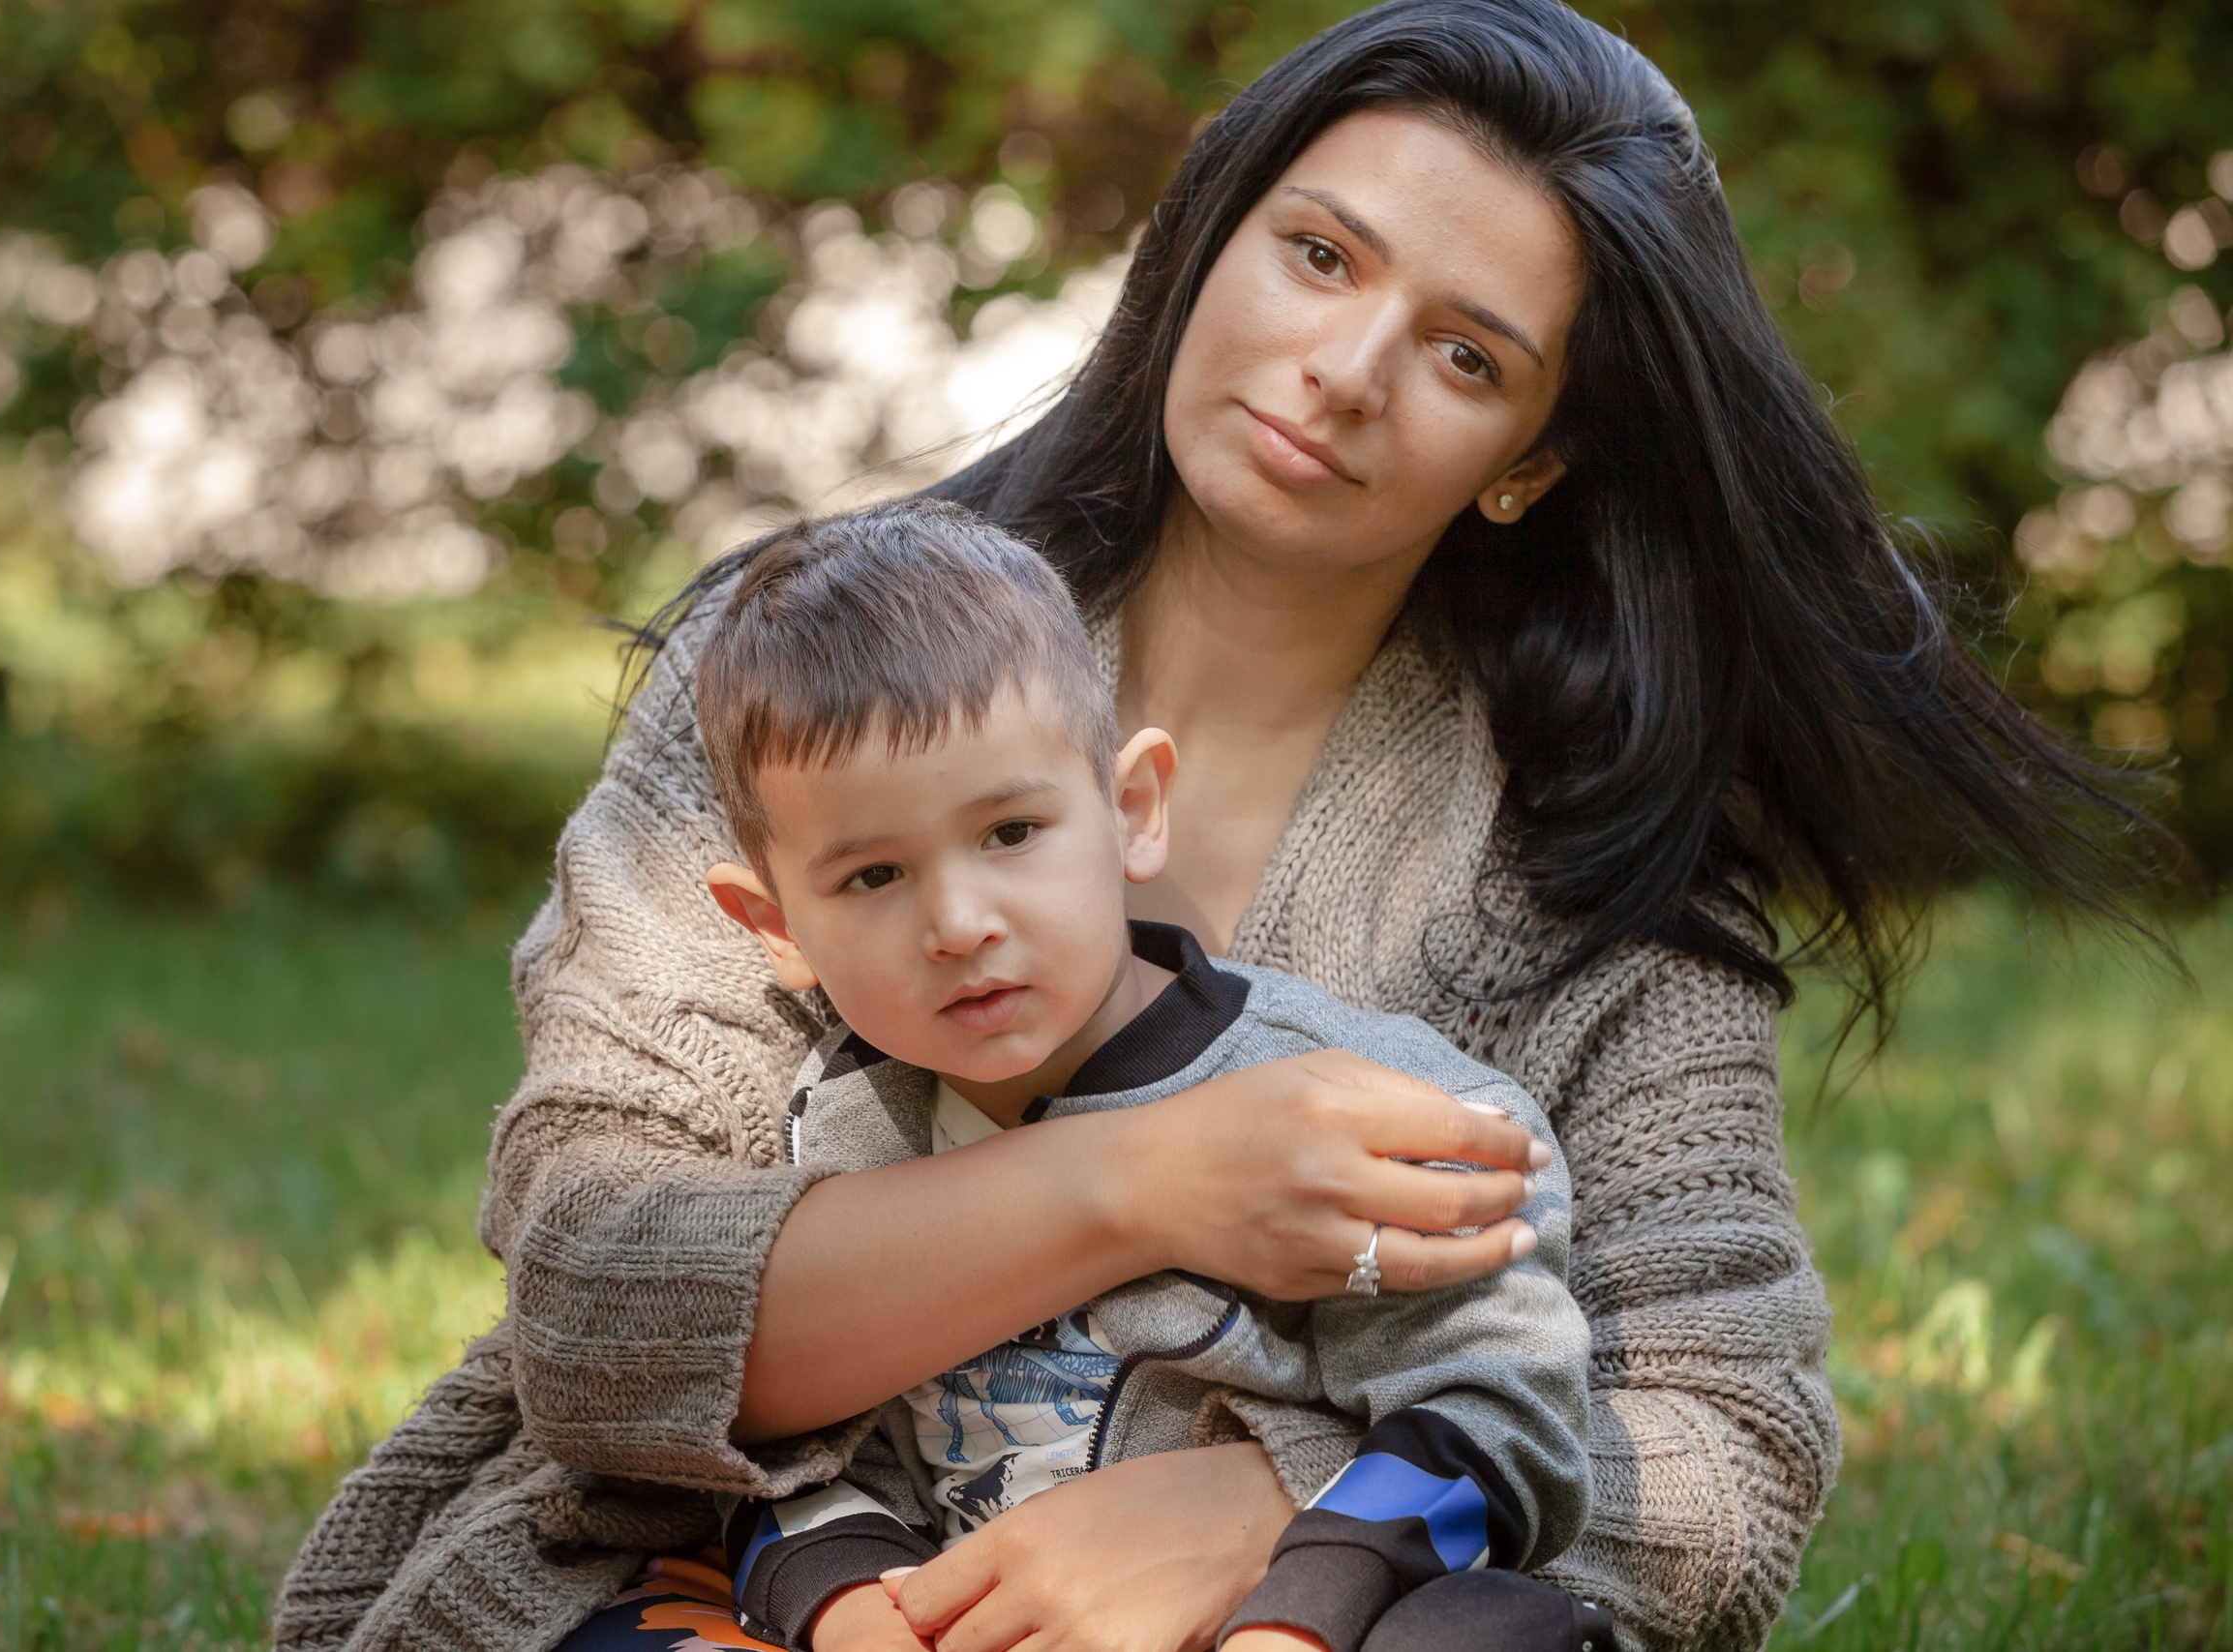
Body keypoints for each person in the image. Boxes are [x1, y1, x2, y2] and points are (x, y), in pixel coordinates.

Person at [276, 3, 2157, 1650]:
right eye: (1318, 255)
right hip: (753, 1570)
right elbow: (602, 1304)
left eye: (1463, 354)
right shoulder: (801, 678)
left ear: (1527, 461)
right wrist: (1151, 1181)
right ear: (1202, 239)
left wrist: (1280, 1499)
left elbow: (1719, 1441)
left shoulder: (1596, 866)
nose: (1343, 365)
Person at [661, 501, 1602, 1652]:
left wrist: (1295, 1624)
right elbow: (776, 1457)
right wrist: (859, 1613)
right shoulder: (833, 1135)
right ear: (774, 925)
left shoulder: (1358, 1106)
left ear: (1130, 812)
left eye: (1009, 833)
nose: (958, 923)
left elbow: (1494, 1416)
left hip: (1304, 1610)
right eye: (871, 877)